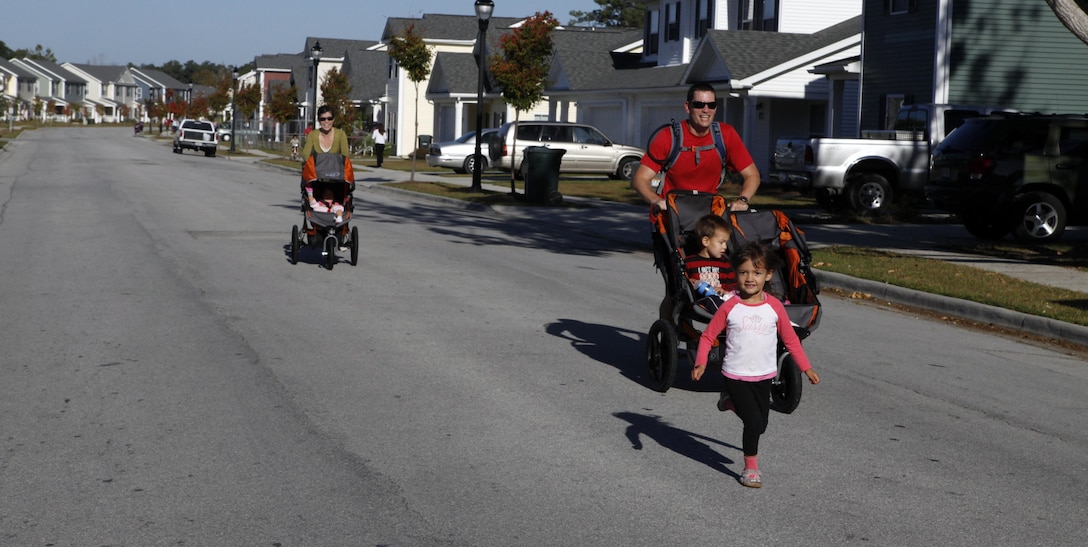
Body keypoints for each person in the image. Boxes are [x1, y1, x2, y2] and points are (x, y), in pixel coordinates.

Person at [691, 241, 820, 489]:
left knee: (762, 424)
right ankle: (751, 468)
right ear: (736, 273)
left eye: (757, 272)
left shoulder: (774, 307)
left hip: (764, 375)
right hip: (735, 374)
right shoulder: (730, 306)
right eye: (744, 272)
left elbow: (790, 339)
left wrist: (806, 367)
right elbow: (708, 337)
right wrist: (701, 362)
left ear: (768, 275)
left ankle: (728, 402)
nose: (750, 278)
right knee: (754, 424)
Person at [631, 81, 761, 213]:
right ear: (688, 107)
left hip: (707, 217)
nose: (706, 110)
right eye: (699, 105)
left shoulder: (725, 135)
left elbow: (752, 175)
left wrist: (743, 200)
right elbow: (640, 179)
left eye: (711, 105)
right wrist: (657, 201)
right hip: (670, 216)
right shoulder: (669, 137)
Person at [685, 214, 738, 312]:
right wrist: (689, 282)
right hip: (701, 301)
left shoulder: (725, 264)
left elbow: (733, 285)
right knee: (712, 299)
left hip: (723, 299)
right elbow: (682, 283)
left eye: (726, 243)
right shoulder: (689, 262)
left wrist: (726, 292)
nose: (725, 247)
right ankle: (725, 316)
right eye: (721, 242)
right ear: (706, 241)